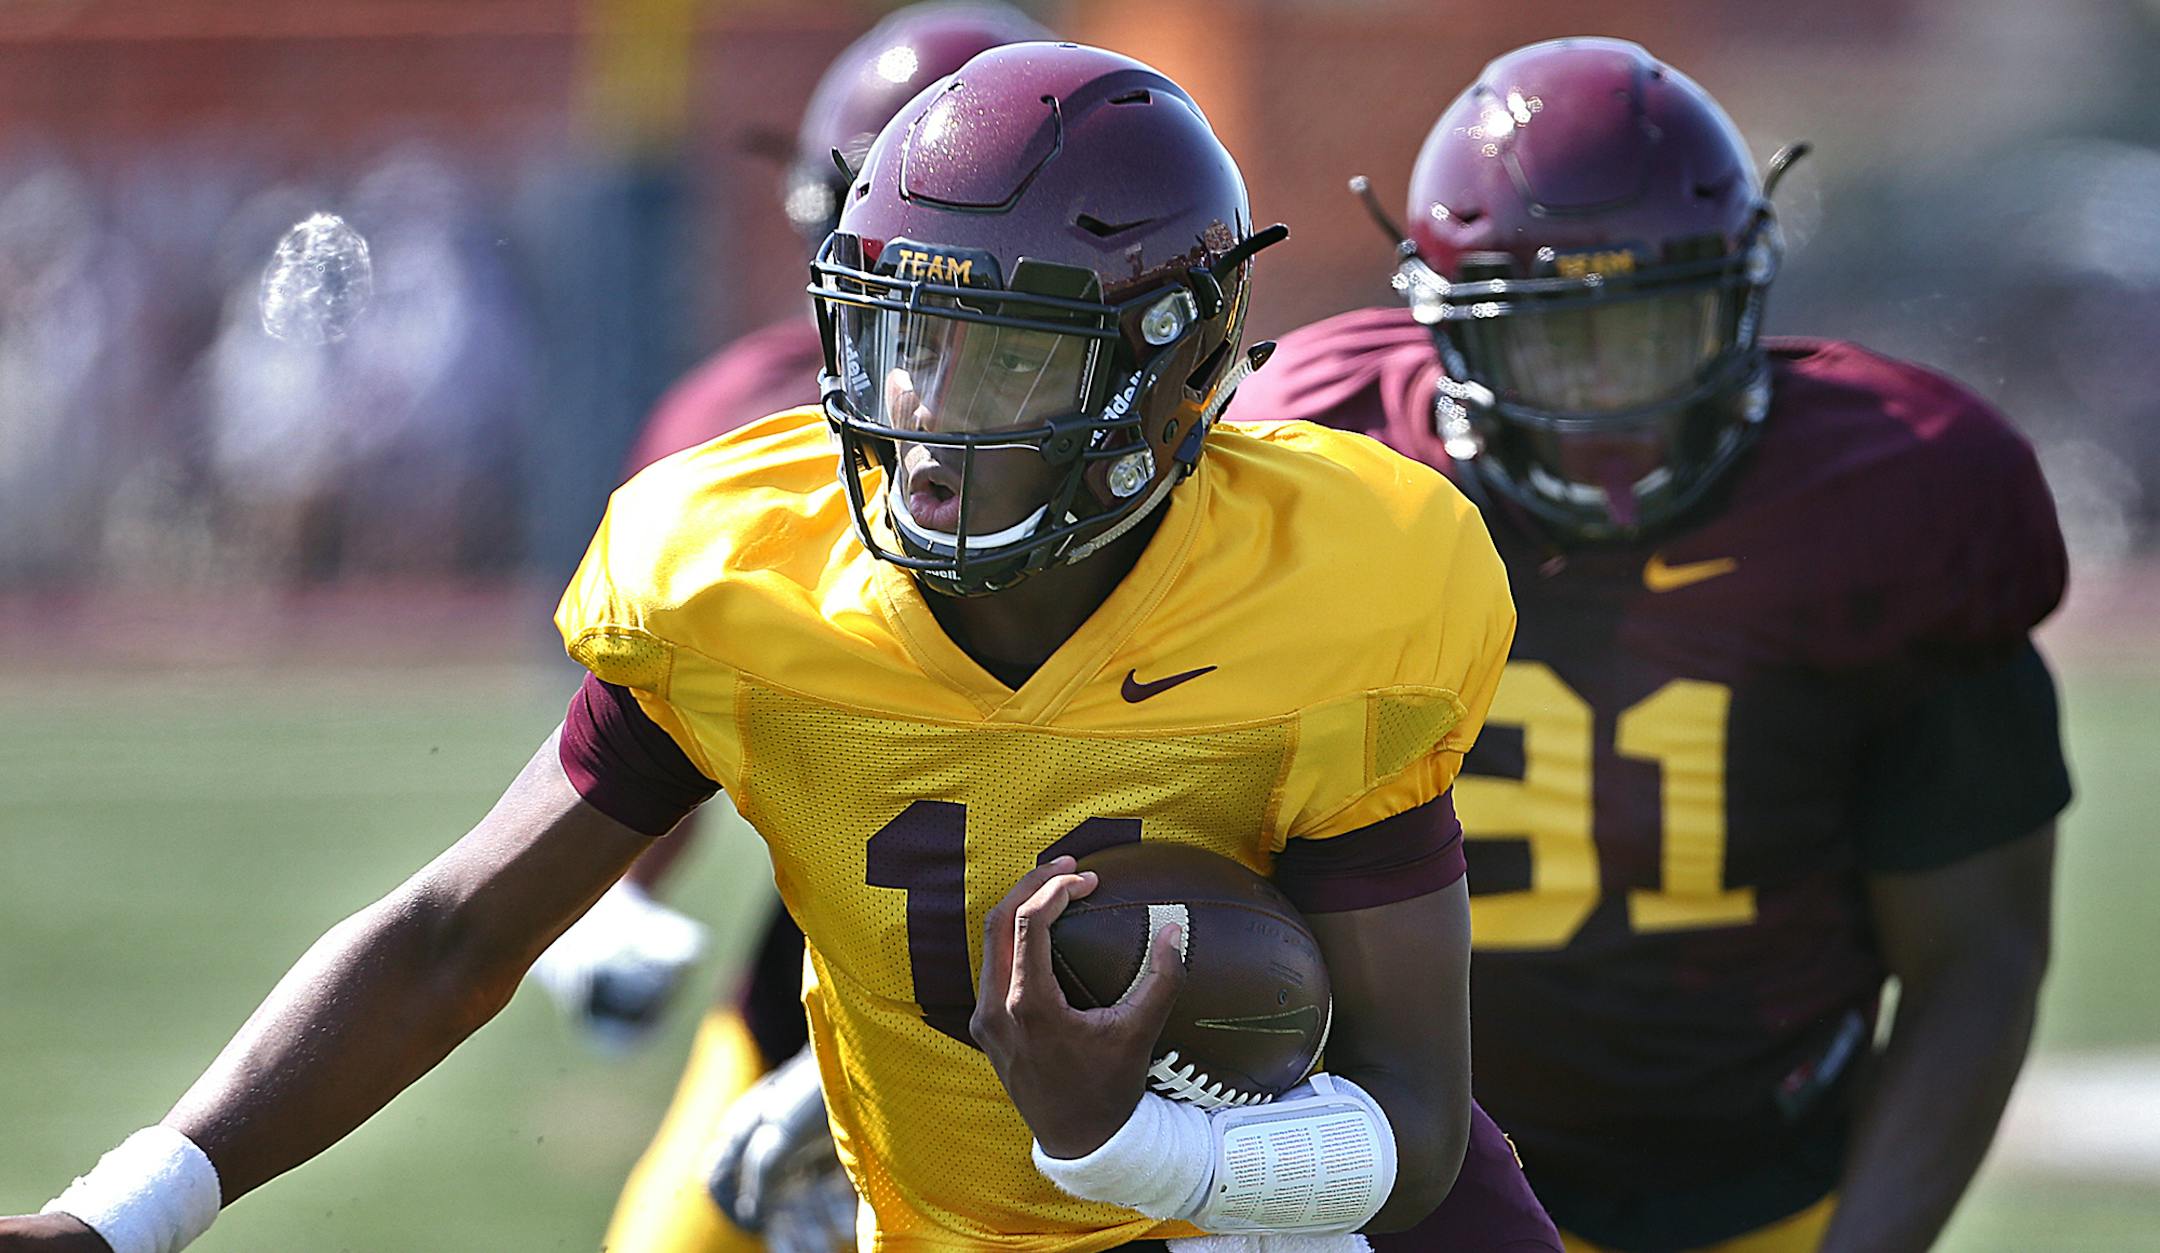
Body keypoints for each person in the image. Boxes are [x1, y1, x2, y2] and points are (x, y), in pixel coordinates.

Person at [3, 43, 1560, 1253]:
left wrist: (1125, 1146)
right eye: (901, 337)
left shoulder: (1340, 580)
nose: (928, 420)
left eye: (1005, 358)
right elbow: (453, 937)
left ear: (1174, 366)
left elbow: (1415, 1127)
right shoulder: (749, 574)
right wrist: (125, 1211)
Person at [1228, 36, 2071, 1253]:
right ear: (1444, 332)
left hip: (1770, 1191)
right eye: (1552, 341)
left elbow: (1977, 957)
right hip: (1407, 1195)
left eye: (1653, 330)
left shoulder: (1898, 505)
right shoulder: (1328, 476)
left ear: (1742, 300)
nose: (1606, 404)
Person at [521, 6, 1053, 1252]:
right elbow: (657, 718)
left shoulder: (1184, 439)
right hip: (865, 932)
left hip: (1143, 931)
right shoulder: (744, 436)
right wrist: (614, 897)